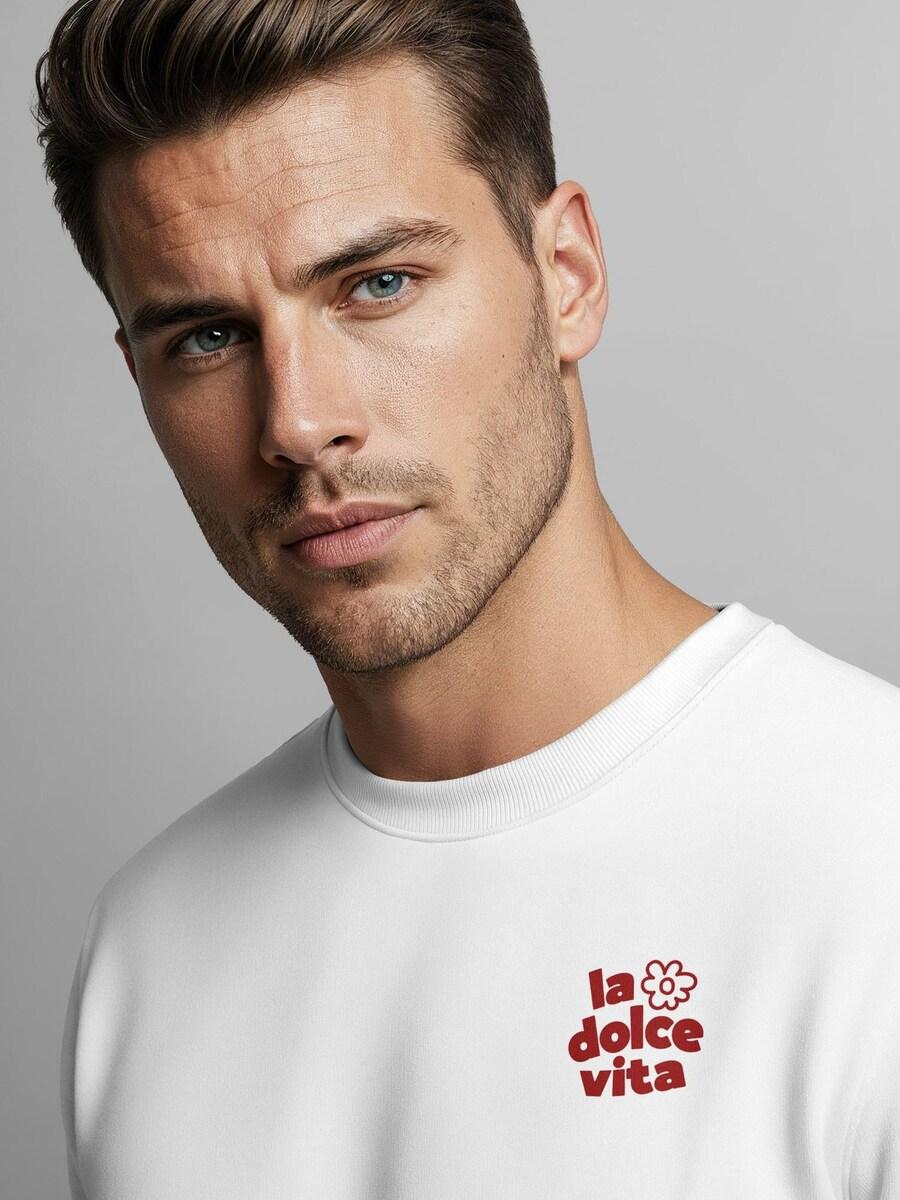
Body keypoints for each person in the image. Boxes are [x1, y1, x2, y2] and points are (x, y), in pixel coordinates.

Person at [34, 1, 898, 1196]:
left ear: (567, 277)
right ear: (139, 378)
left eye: (378, 284)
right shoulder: (151, 947)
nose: (298, 421)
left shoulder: (871, 860)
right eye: (208, 339)